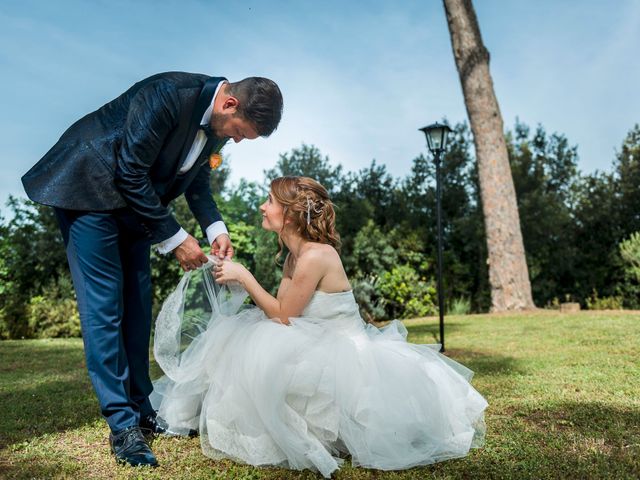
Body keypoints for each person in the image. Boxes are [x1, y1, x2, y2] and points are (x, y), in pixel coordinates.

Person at [20, 72, 283, 467]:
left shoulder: (214, 126)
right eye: (241, 132)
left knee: (139, 307)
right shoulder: (167, 95)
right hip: (89, 191)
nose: (237, 140)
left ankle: (142, 410)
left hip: (135, 208)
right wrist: (177, 238)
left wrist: (216, 228)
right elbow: (129, 169)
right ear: (229, 104)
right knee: (105, 309)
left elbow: (197, 182)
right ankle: (122, 425)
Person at [151, 176, 488, 478]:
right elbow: (282, 315)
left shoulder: (316, 256)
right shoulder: (293, 255)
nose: (262, 207)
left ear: (291, 214)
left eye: (269, 201)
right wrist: (237, 280)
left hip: (346, 355)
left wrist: (246, 277)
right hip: (312, 339)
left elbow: (283, 316)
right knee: (238, 340)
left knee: (257, 350)